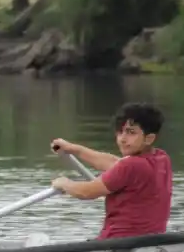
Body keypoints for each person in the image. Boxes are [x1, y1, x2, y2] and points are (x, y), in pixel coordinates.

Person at [51, 102, 172, 239]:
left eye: (131, 133)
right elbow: (114, 163)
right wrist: (74, 148)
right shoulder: (161, 159)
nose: (122, 139)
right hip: (147, 242)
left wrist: (64, 183)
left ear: (149, 138)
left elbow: (87, 192)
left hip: (118, 243)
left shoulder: (131, 165)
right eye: (120, 132)